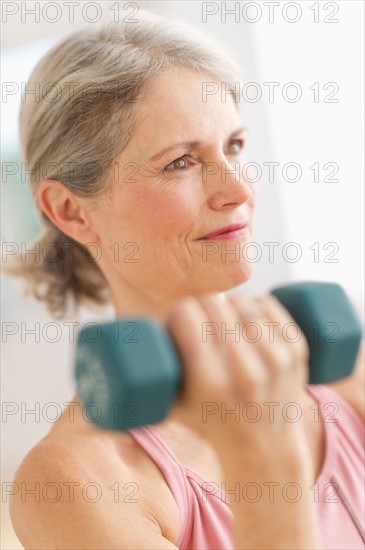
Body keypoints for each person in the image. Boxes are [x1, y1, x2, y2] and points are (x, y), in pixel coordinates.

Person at [9, 10, 364, 550]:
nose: (237, 188)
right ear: (71, 212)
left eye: (235, 147)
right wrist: (264, 468)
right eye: (180, 162)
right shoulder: (72, 483)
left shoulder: (347, 371)